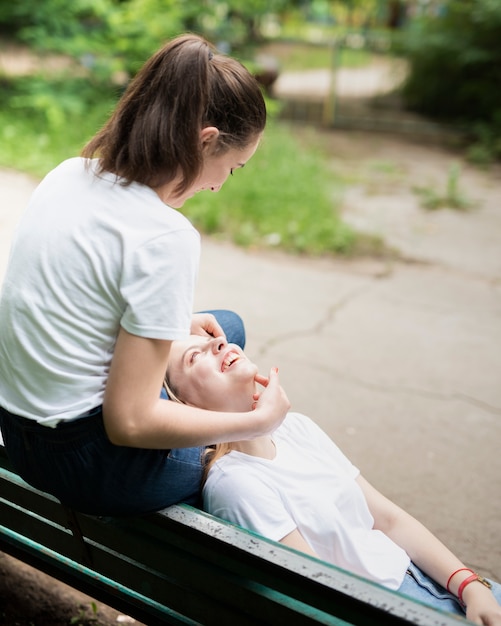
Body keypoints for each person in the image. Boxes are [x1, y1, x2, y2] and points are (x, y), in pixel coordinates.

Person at [0, 34, 289, 517]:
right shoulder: (165, 236)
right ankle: (226, 434)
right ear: (206, 141)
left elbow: (72, 307)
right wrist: (254, 423)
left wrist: (175, 329)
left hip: (15, 423)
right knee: (232, 454)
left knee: (226, 325)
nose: (218, 186)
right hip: (82, 461)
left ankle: (192, 398)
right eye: (231, 169)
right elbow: (128, 424)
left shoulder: (70, 173)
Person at [164, 334, 501, 625]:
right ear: (185, 405)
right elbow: (319, 593)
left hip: (428, 576)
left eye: (214, 340)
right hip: (389, 606)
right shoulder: (235, 483)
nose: (218, 341)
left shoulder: (297, 428)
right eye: (196, 356)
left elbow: (388, 520)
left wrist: (469, 585)